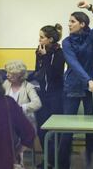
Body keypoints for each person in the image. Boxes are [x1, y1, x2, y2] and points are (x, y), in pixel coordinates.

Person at [59, 0, 93, 169]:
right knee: (67, 130)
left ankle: (91, 164)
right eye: (69, 21)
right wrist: (87, 80)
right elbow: (73, 63)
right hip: (73, 86)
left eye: (72, 21)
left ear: (82, 24)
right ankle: (63, 165)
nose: (69, 24)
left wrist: (90, 7)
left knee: (91, 129)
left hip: (91, 87)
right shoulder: (66, 42)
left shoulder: (90, 36)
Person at [33, 24, 65, 168]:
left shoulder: (60, 53)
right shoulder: (39, 51)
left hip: (56, 96)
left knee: (53, 131)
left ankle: (54, 161)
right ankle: (47, 159)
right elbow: (38, 73)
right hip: (42, 96)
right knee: (41, 129)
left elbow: (54, 74)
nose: (39, 40)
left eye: (42, 37)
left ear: (50, 39)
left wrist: (46, 57)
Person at [3, 60, 42, 166]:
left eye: (10, 73)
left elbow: (37, 103)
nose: (7, 75)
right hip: (8, 123)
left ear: (18, 74)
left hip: (26, 123)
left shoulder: (28, 86)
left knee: (14, 136)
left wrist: (21, 108)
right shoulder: (6, 84)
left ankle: (17, 162)